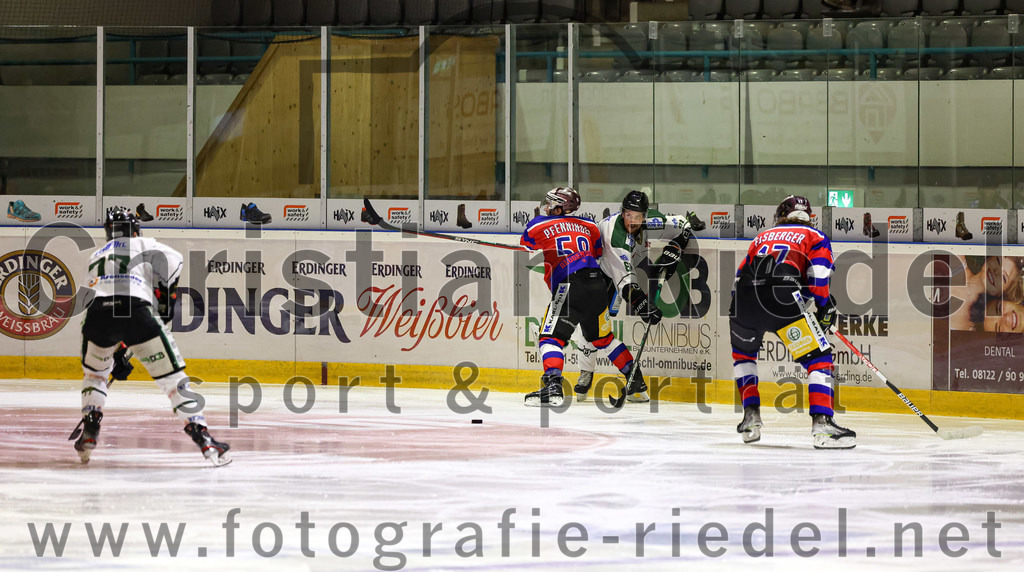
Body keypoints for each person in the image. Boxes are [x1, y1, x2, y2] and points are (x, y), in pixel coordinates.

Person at [74, 208, 231, 466]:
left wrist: (115, 351)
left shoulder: (95, 255)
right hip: (136, 310)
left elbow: (94, 301)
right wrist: (167, 300)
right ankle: (203, 438)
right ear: (135, 229)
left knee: (95, 376)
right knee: (173, 381)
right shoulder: (144, 243)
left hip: (97, 317)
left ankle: (90, 429)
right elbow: (176, 261)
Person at [729, 195, 856, 449]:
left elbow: (738, 278)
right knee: (819, 358)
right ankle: (823, 424)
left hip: (743, 303)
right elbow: (818, 279)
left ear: (780, 216)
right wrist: (824, 308)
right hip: (782, 299)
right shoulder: (816, 237)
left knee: (743, 357)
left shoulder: (761, 237)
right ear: (810, 216)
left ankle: (750, 418)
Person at [572, 190, 705, 403]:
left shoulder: (650, 221)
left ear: (644, 216)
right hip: (598, 271)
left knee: (597, 329)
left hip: (623, 269)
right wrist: (644, 306)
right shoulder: (615, 238)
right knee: (592, 326)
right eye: (628, 215)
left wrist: (676, 246)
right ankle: (587, 372)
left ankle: (635, 383)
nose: (632, 221)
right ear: (622, 212)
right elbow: (626, 283)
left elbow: (682, 223)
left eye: (637, 217)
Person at [520, 187, 639, 407]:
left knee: (550, 338)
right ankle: (637, 384)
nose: (546, 208)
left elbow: (526, 242)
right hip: (597, 285)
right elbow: (594, 253)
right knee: (603, 339)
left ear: (559, 207)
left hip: (568, 286)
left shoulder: (539, 224)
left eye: (550, 204)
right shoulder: (590, 226)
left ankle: (553, 386)